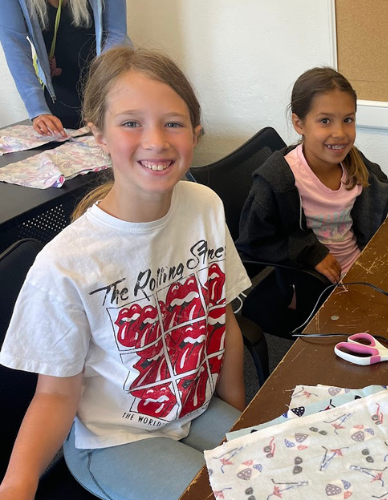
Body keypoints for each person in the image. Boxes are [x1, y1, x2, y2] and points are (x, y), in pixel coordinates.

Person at [0, 46, 250, 500]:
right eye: (131, 123)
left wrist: (238, 416)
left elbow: (222, 318)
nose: (156, 141)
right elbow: (55, 396)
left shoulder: (204, 206)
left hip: (193, 410)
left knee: (286, 472)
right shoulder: (66, 265)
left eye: (172, 123)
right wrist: (17, 484)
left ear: (195, 133)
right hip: (115, 441)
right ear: (98, 134)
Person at [237, 67, 388, 336]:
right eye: (325, 121)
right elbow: (252, 242)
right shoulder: (279, 179)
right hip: (313, 285)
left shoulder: (353, 161)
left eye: (348, 120)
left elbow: (384, 193)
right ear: (299, 124)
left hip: (361, 267)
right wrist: (309, 251)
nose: (340, 133)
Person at [0, 0, 128, 136]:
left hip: (105, 88)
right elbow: (15, 45)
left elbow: (116, 34)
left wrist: (103, 85)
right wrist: (38, 109)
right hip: (58, 95)